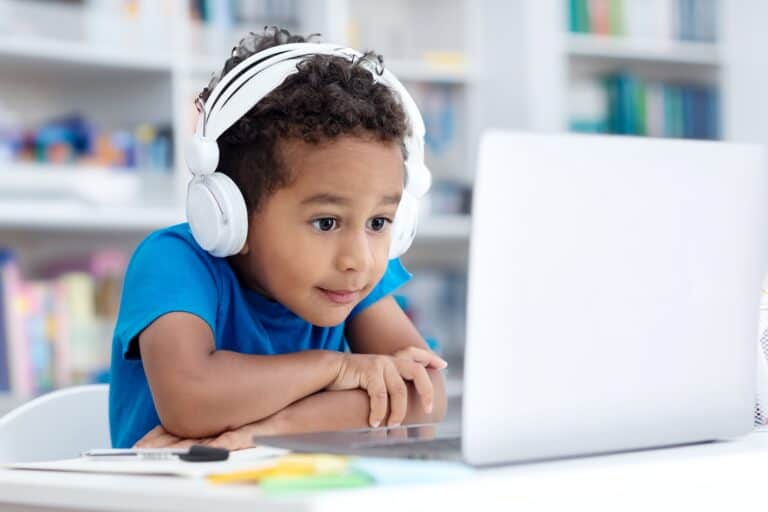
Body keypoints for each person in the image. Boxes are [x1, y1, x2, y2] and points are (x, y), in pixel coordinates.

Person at [108, 27, 448, 449]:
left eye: (379, 223)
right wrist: (335, 368)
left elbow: (424, 395)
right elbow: (191, 399)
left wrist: (270, 430)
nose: (358, 259)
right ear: (232, 215)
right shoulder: (173, 262)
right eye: (326, 223)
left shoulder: (347, 282)